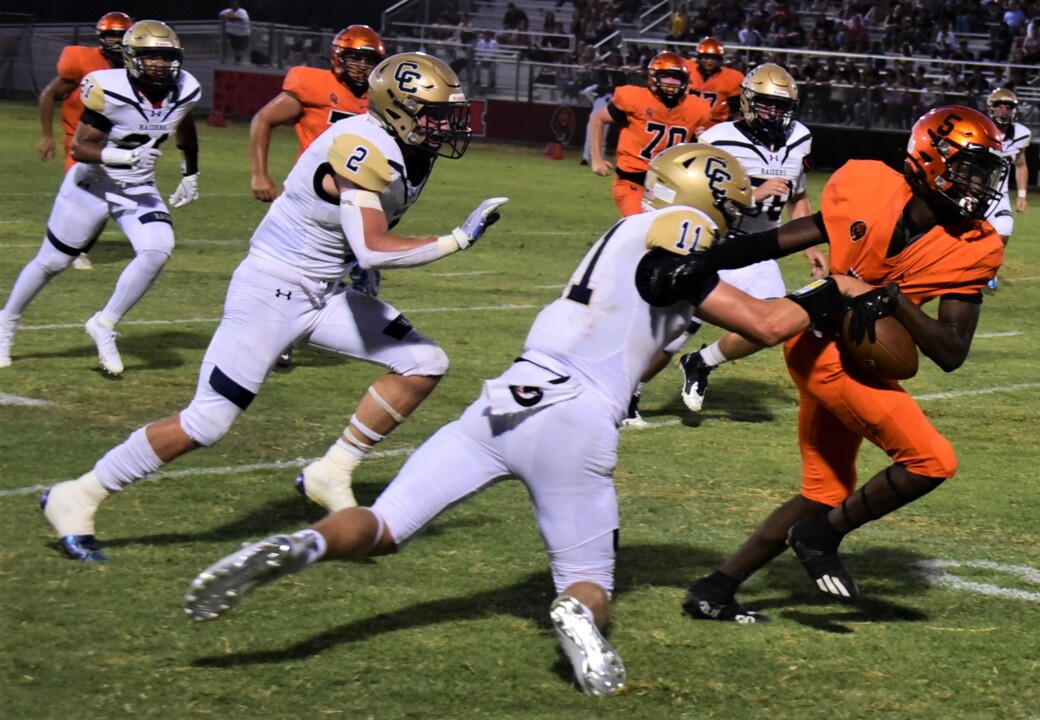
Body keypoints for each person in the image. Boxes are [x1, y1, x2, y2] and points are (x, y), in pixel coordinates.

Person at [180, 144, 858, 695]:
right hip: (576, 419)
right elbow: (762, 319)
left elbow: (733, 255)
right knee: (587, 582)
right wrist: (837, 291)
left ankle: (307, 546)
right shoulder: (675, 236)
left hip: (505, 398)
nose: (737, 221)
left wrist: (833, 223)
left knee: (385, 527)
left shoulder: (626, 231)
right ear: (705, 205)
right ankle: (576, 616)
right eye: (730, 208)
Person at [38, 52, 502, 563]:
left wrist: (356, 265)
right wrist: (456, 238)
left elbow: (352, 243)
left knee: (423, 363)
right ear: (397, 109)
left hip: (322, 292)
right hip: (272, 289)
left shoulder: (409, 147)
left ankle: (333, 471)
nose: (444, 124)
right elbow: (372, 244)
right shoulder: (361, 146)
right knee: (208, 422)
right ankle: (77, 495)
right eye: (432, 111)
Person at [678, 105, 1008, 621]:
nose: (978, 184)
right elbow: (782, 239)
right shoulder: (868, 186)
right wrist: (700, 260)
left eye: (986, 172)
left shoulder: (975, 244)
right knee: (932, 461)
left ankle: (715, 588)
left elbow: (950, 352)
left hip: (862, 356)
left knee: (825, 491)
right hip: (817, 346)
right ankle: (820, 535)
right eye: (969, 168)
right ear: (930, 158)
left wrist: (892, 298)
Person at [0, 20, 200, 373]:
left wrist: (190, 170)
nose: (159, 64)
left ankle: (105, 324)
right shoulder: (110, 90)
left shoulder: (185, 89)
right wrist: (123, 156)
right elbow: (80, 148)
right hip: (93, 183)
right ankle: (6, 324)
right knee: (53, 262)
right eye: (150, 56)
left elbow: (183, 120)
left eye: (165, 57)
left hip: (138, 187)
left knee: (157, 250)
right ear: (131, 58)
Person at [674, 63, 828, 413]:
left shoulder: (800, 139)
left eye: (781, 106)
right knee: (672, 332)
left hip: (759, 251)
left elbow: (797, 197)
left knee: (775, 324)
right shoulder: (717, 139)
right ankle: (628, 393)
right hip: (715, 246)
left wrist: (811, 247)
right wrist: (751, 195)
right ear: (746, 101)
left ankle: (701, 361)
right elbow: (695, 197)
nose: (774, 112)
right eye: (765, 103)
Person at [249, 24, 387, 368]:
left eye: (368, 60)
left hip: (357, 199)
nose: (360, 66)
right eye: (353, 58)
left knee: (361, 273)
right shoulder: (312, 84)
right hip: (312, 200)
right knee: (304, 275)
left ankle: (316, 330)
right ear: (337, 57)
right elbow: (263, 119)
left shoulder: (380, 98)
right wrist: (259, 173)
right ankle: (276, 337)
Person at [37, 11, 135, 272]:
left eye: (120, 36)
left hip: (115, 144)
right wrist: (47, 135)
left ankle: (80, 247)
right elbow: (48, 95)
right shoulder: (81, 60)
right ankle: (72, 248)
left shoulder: (135, 66)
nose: (115, 41)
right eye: (110, 36)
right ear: (100, 38)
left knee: (105, 201)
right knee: (85, 192)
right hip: (79, 140)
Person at [588, 52, 712, 217]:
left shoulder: (697, 108)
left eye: (676, 78)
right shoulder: (634, 98)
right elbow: (598, 119)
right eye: (666, 78)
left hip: (671, 183)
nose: (671, 84)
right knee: (640, 226)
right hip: (633, 180)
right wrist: (596, 158)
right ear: (653, 77)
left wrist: (699, 138)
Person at [982, 87, 1030, 292]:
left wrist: (1022, 194)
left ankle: (989, 271)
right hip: (972, 193)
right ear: (991, 108)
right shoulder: (979, 129)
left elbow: (1020, 164)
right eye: (999, 106)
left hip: (999, 194)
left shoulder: (1020, 134)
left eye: (1008, 107)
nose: (1003, 110)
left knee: (1004, 230)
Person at [682, 37, 745, 126]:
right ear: (699, 58)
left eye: (714, 58)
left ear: (720, 60)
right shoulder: (687, 67)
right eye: (706, 57)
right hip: (685, 120)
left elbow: (737, 112)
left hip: (714, 125)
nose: (709, 62)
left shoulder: (732, 77)